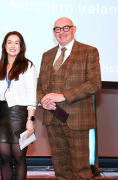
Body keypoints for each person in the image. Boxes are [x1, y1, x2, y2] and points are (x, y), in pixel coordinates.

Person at [37, 17, 101, 180]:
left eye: (66, 28)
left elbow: (94, 83)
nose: (62, 32)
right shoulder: (46, 55)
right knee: (60, 170)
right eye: (57, 29)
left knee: (80, 170)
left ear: (74, 29)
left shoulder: (89, 51)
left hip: (77, 119)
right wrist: (42, 99)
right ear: (53, 33)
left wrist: (64, 96)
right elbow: (39, 86)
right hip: (52, 119)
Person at [0, 31, 37, 180]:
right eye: (9, 42)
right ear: (4, 45)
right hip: (1, 114)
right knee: (4, 158)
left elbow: (32, 94)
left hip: (20, 115)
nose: (13, 46)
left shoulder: (28, 66)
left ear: (21, 46)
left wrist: (30, 119)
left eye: (16, 43)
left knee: (19, 158)